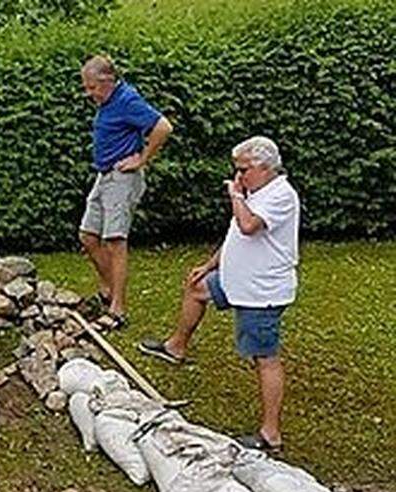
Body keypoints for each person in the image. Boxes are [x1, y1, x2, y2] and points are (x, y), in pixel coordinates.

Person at [138, 136, 300, 453]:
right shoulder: (256, 190)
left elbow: (249, 225)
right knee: (197, 288)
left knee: (264, 358)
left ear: (266, 167)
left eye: (244, 169)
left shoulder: (280, 195)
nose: (238, 176)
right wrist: (210, 265)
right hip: (235, 277)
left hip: (260, 290)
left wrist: (236, 196)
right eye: (236, 170)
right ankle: (176, 347)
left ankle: (271, 434)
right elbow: (234, 236)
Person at [79, 55, 173, 329]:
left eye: (92, 87)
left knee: (115, 241)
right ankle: (109, 291)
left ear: (107, 81)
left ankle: (118, 309)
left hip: (121, 178)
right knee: (87, 236)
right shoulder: (109, 101)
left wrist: (142, 159)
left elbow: (163, 127)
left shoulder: (127, 100)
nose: (89, 93)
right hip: (104, 175)